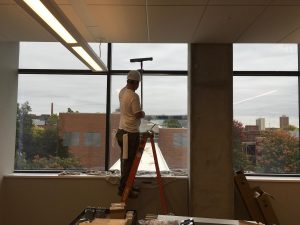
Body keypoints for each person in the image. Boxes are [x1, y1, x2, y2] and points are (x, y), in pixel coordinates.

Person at [116, 70, 145, 198]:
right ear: (136, 83)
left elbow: (128, 84)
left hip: (121, 132)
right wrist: (143, 113)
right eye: (138, 83)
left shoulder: (122, 92)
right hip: (131, 133)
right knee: (130, 164)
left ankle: (128, 186)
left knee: (125, 162)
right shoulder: (134, 96)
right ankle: (124, 189)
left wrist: (138, 73)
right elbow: (137, 113)